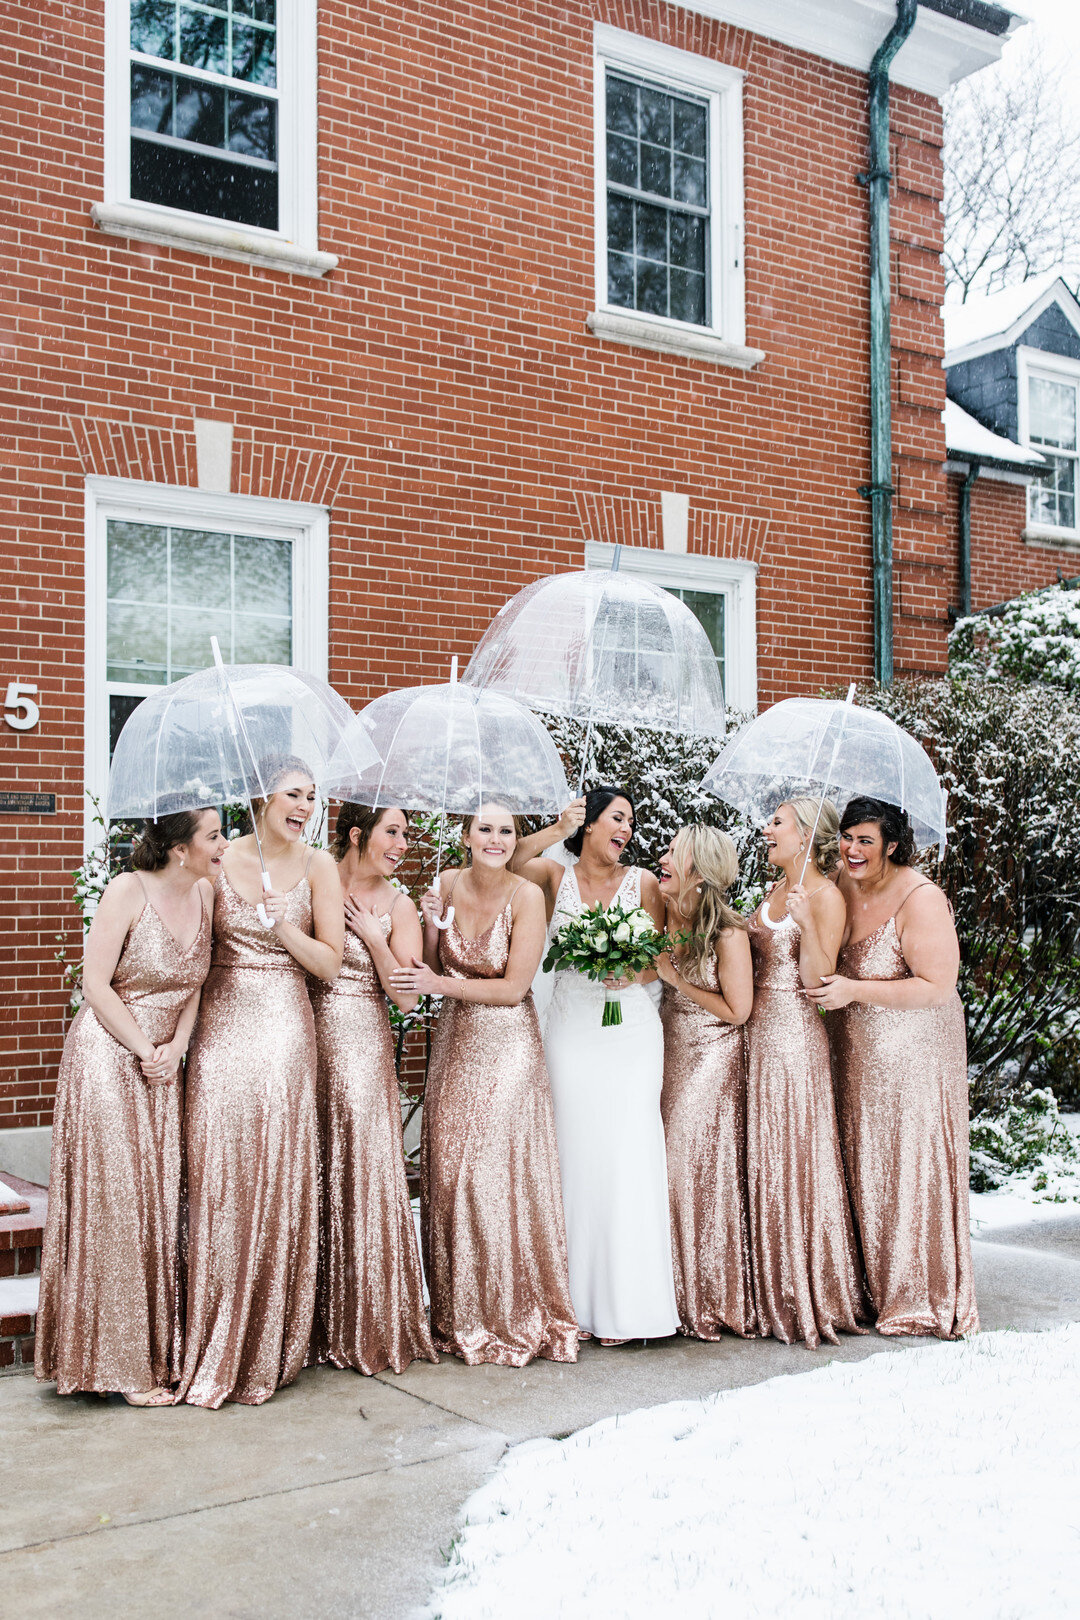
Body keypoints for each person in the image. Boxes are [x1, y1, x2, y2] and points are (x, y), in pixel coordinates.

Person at [36, 808, 223, 1403]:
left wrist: (180, 1046)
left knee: (156, 1204)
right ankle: (118, 1368)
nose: (223, 845)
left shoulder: (206, 894)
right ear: (178, 848)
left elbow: (196, 983)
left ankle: (149, 1353)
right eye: (213, 836)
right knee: (117, 1204)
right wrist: (147, 1047)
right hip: (110, 1054)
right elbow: (94, 985)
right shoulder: (126, 890)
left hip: (164, 1060)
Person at [178, 760, 344, 1407]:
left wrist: (284, 926)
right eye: (293, 794)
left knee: (274, 1173)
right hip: (218, 1033)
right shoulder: (221, 858)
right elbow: (195, 946)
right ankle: (212, 1335)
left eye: (312, 796)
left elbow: (328, 964)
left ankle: (268, 1340)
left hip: (283, 1031)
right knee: (220, 1174)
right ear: (262, 797)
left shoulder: (318, 866)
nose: (304, 805)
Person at [392, 802, 577, 1366]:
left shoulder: (526, 897)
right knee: (450, 1173)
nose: (495, 839)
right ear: (467, 836)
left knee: (492, 1175)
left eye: (506, 831)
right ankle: (457, 1314)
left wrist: (441, 981)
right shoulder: (444, 884)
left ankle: (512, 1312)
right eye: (485, 829)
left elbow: (514, 987)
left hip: (507, 1047)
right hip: (453, 1045)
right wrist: (427, 923)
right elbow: (422, 974)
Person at [512, 787, 679, 1346]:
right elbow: (507, 861)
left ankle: (630, 1304)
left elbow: (665, 958)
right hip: (571, 1031)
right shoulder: (554, 878)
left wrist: (634, 975)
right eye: (616, 818)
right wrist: (558, 828)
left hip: (629, 1034)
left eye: (631, 821)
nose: (626, 829)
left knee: (627, 1154)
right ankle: (573, 1303)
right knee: (574, 1155)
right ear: (590, 824)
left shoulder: (646, 885)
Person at [807, 796, 978, 1339]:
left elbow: (937, 987)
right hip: (853, 1050)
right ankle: (863, 1287)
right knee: (860, 1162)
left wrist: (855, 988)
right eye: (847, 838)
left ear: (893, 846)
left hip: (914, 1053)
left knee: (905, 1165)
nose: (852, 850)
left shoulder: (921, 898)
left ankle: (914, 1290)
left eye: (865, 841)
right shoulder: (839, 880)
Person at [309, 803, 436, 1375]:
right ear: (357, 835)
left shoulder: (399, 904)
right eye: (393, 832)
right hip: (297, 1034)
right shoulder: (312, 875)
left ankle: (359, 1319)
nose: (402, 843)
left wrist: (373, 938)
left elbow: (408, 998)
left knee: (356, 1171)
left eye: (406, 834)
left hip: (360, 1043)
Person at [743, 798, 869, 1346]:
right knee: (762, 1156)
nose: (766, 829)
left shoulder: (826, 896)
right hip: (754, 1034)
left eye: (777, 823)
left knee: (793, 1155)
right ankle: (763, 1288)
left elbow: (820, 982)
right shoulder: (772, 889)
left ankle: (803, 1289)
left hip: (795, 1036)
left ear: (805, 836)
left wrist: (806, 922)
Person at [656, 825, 757, 1340]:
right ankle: (665, 1293)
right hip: (668, 1055)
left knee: (689, 1167)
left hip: (713, 1059)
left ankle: (707, 1294)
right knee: (667, 1169)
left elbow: (738, 1012)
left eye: (674, 852)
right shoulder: (667, 913)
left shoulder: (729, 933)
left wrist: (675, 978)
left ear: (698, 868)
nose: (663, 858)